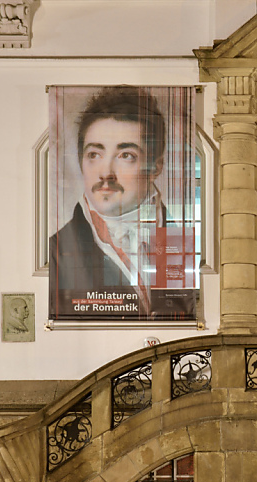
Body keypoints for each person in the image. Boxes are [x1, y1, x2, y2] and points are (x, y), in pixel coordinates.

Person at [50, 87, 169, 318]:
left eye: (126, 156)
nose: (106, 173)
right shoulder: (56, 250)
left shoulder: (181, 239)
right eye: (94, 154)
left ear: (156, 167)